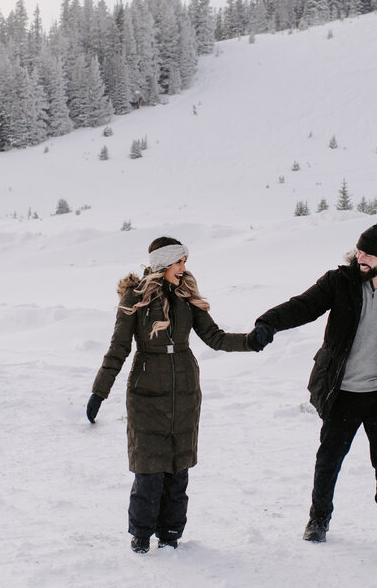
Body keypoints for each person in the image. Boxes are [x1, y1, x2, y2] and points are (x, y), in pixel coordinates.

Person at [247, 222, 377, 568]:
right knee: (329, 460)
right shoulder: (341, 282)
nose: (360, 257)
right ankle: (319, 518)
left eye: (368, 254)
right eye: (359, 250)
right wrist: (268, 323)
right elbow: (303, 305)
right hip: (342, 391)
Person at [86, 237, 262, 553]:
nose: (184, 269)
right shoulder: (135, 297)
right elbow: (118, 348)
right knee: (149, 469)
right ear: (163, 264)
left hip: (184, 390)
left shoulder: (186, 298)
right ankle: (141, 535)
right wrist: (99, 392)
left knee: (178, 469)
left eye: (185, 262)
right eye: (179, 262)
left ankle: (170, 534)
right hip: (145, 390)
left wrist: (252, 341)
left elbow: (215, 338)